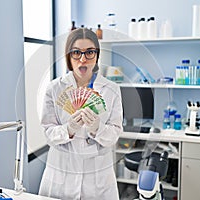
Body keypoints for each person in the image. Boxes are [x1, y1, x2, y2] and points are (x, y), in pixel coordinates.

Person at [38, 28, 123, 199]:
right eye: (76, 52)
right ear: (68, 56)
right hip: (61, 176)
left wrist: (98, 128)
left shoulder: (112, 90)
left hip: (98, 181)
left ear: (97, 55)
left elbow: (114, 134)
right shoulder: (54, 88)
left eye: (90, 52)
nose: (83, 59)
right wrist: (68, 129)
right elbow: (48, 133)